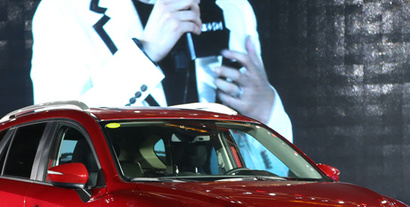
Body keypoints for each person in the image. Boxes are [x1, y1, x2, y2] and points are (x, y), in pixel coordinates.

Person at [30, 0, 293, 140]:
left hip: (219, 200)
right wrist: (146, 53)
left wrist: (266, 110)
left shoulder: (234, 8)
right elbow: (55, 136)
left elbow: (274, 164)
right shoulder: (62, 11)